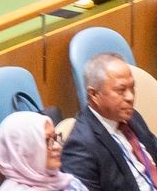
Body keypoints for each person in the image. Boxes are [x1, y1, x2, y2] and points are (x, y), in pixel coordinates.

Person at [62, 52, 157, 191]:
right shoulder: (80, 146)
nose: (130, 97)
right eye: (121, 90)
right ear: (93, 95)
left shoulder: (131, 117)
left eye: (132, 88)